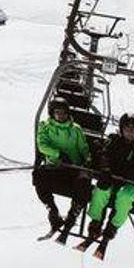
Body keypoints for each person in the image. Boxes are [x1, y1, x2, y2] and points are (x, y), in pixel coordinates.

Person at [79, 112, 134, 259]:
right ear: (121, 129)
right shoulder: (114, 140)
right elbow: (104, 155)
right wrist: (106, 170)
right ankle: (96, 223)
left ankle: (111, 229)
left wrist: (132, 176)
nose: (130, 133)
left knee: (124, 198)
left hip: (132, 183)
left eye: (133, 130)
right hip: (112, 178)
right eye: (127, 129)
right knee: (101, 191)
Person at [34, 98, 91, 239]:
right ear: (52, 113)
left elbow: (84, 149)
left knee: (83, 184)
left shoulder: (75, 129)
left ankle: (73, 214)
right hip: (55, 167)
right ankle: (52, 210)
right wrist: (58, 154)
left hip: (73, 169)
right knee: (38, 175)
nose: (60, 115)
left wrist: (87, 162)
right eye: (57, 112)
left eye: (63, 113)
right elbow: (42, 145)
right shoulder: (45, 127)